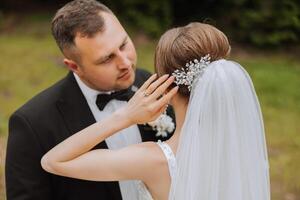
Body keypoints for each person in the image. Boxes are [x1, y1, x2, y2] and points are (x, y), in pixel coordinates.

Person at [41, 22, 271, 200]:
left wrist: (125, 116)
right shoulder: (245, 146)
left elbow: (53, 161)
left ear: (167, 85)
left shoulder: (156, 161)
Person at [5, 0, 174, 200]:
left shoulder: (151, 84)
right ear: (74, 66)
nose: (125, 63)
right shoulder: (33, 124)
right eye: (106, 59)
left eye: (124, 44)